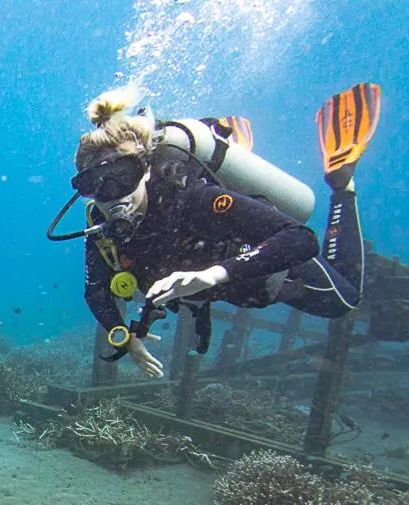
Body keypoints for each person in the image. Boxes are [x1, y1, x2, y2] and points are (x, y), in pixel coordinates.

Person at [62, 82, 381, 378]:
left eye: (124, 175)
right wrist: (125, 338)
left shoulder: (195, 199)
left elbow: (302, 239)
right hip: (227, 290)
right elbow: (96, 292)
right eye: (95, 185)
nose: (114, 195)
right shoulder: (102, 229)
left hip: (272, 274)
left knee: (344, 302)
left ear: (146, 170)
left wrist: (215, 274)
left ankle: (342, 184)